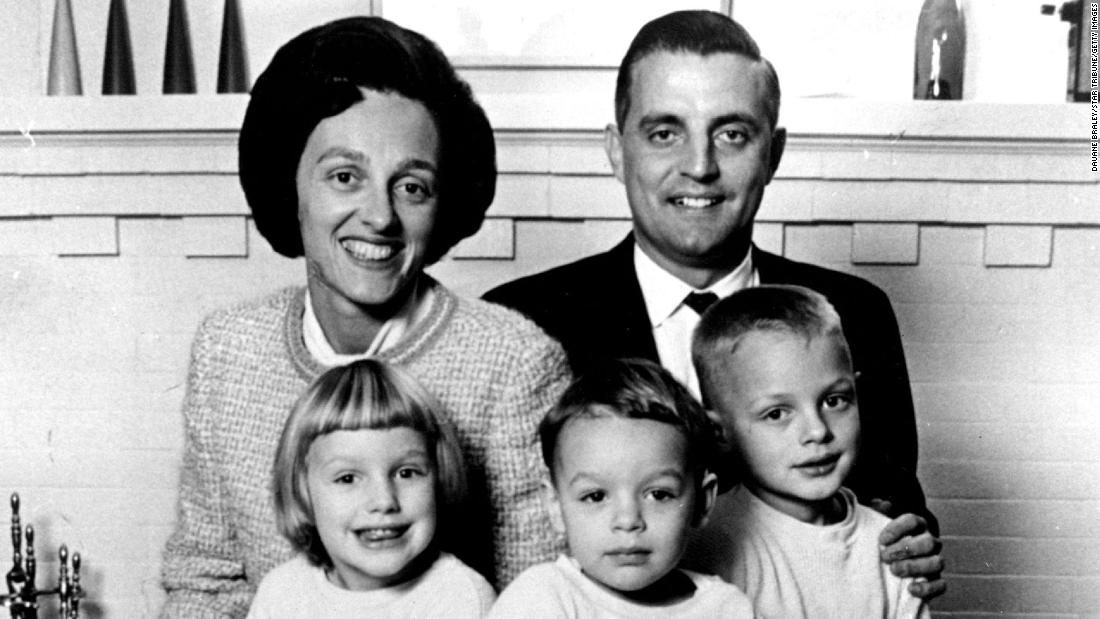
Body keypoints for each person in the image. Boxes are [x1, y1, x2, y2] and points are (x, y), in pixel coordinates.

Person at [483, 9, 944, 598]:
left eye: (732, 134)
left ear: (773, 154)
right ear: (616, 149)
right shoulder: (524, 323)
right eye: (664, 133)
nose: (699, 167)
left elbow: (893, 506)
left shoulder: (852, 311)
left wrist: (909, 546)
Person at [160, 17, 570, 617]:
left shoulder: (513, 361)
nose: (379, 216)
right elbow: (204, 586)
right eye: (345, 177)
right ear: (289, 184)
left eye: (411, 186)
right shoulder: (228, 351)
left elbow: (540, 599)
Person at [689, 285, 929, 617]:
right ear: (719, 432)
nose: (817, 431)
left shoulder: (889, 544)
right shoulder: (704, 544)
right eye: (776, 414)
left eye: (835, 401)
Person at [489, 359, 754, 618]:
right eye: (595, 496)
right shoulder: (542, 598)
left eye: (659, 495)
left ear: (703, 502)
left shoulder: (729, 608)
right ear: (556, 506)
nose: (628, 521)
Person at [247, 359, 495, 618]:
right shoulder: (282, 593)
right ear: (303, 493)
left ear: (439, 479)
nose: (384, 500)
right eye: (348, 479)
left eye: (406, 473)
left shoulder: (460, 599)